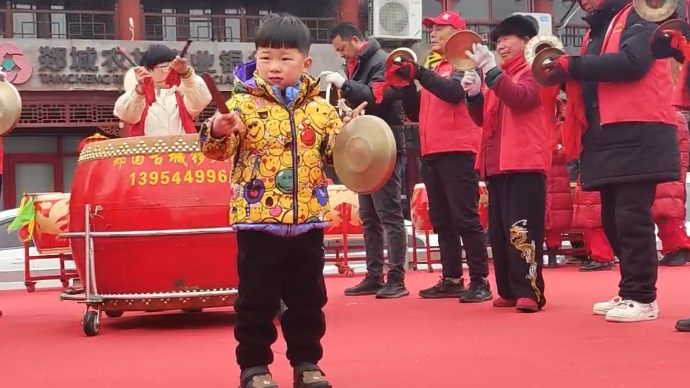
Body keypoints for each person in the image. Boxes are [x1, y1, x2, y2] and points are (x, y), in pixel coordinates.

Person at [198, 13, 364, 388]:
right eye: (265, 57)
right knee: (256, 301)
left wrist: (355, 133)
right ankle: (254, 368)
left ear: (305, 63)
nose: (274, 67)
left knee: (308, 300)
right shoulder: (241, 107)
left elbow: (335, 157)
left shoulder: (321, 110)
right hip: (258, 222)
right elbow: (216, 151)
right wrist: (217, 129)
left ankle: (307, 364)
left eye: (285, 58)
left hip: (308, 220)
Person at [544, 0, 680, 322]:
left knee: (632, 217)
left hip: (639, 126)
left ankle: (643, 297)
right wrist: (566, 74)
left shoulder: (641, 12)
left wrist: (573, 66)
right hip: (606, 130)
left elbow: (633, 63)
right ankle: (630, 288)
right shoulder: (598, 26)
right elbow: (595, 76)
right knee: (612, 219)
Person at [383, 11, 492, 301]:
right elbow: (417, 112)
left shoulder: (466, 65)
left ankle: (480, 281)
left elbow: (455, 94)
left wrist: (418, 73)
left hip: (458, 150)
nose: (433, 33)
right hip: (433, 151)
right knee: (442, 220)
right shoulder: (438, 66)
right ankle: (452, 278)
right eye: (432, 29)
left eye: (440, 29)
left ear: (457, 33)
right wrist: (405, 87)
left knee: (465, 218)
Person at [463, 15, 551, 312]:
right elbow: (482, 120)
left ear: (525, 41)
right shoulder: (497, 76)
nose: (500, 44)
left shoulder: (535, 69)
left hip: (524, 160)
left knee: (522, 230)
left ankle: (531, 290)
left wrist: (489, 71)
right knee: (499, 232)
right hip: (496, 162)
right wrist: (474, 96)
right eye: (498, 40)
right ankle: (510, 288)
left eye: (507, 38)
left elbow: (521, 99)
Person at [324, 22, 409, 299]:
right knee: (370, 217)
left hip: (384, 147)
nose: (341, 55)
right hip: (365, 149)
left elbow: (376, 97)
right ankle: (374, 275)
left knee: (390, 215)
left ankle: (396, 277)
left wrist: (344, 85)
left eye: (342, 49)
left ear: (355, 39)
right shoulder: (357, 63)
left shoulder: (381, 61)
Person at [114, 44, 212, 136]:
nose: (170, 72)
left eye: (173, 68)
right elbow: (126, 115)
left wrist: (186, 74)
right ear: (147, 70)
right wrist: (140, 91)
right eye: (165, 68)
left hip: (179, 153)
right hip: (149, 152)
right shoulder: (138, 96)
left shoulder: (181, 95)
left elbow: (202, 100)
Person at [652, 111, 690, 267]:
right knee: (661, 210)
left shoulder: (672, 116)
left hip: (669, 167)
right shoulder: (668, 114)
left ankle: (680, 247)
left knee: (668, 210)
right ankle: (672, 248)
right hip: (665, 166)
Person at [544, 101, 573, 268]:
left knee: (555, 220)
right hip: (543, 176)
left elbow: (567, 152)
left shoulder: (563, 127)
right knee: (539, 219)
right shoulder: (538, 125)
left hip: (558, 179)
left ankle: (554, 255)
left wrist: (551, 151)